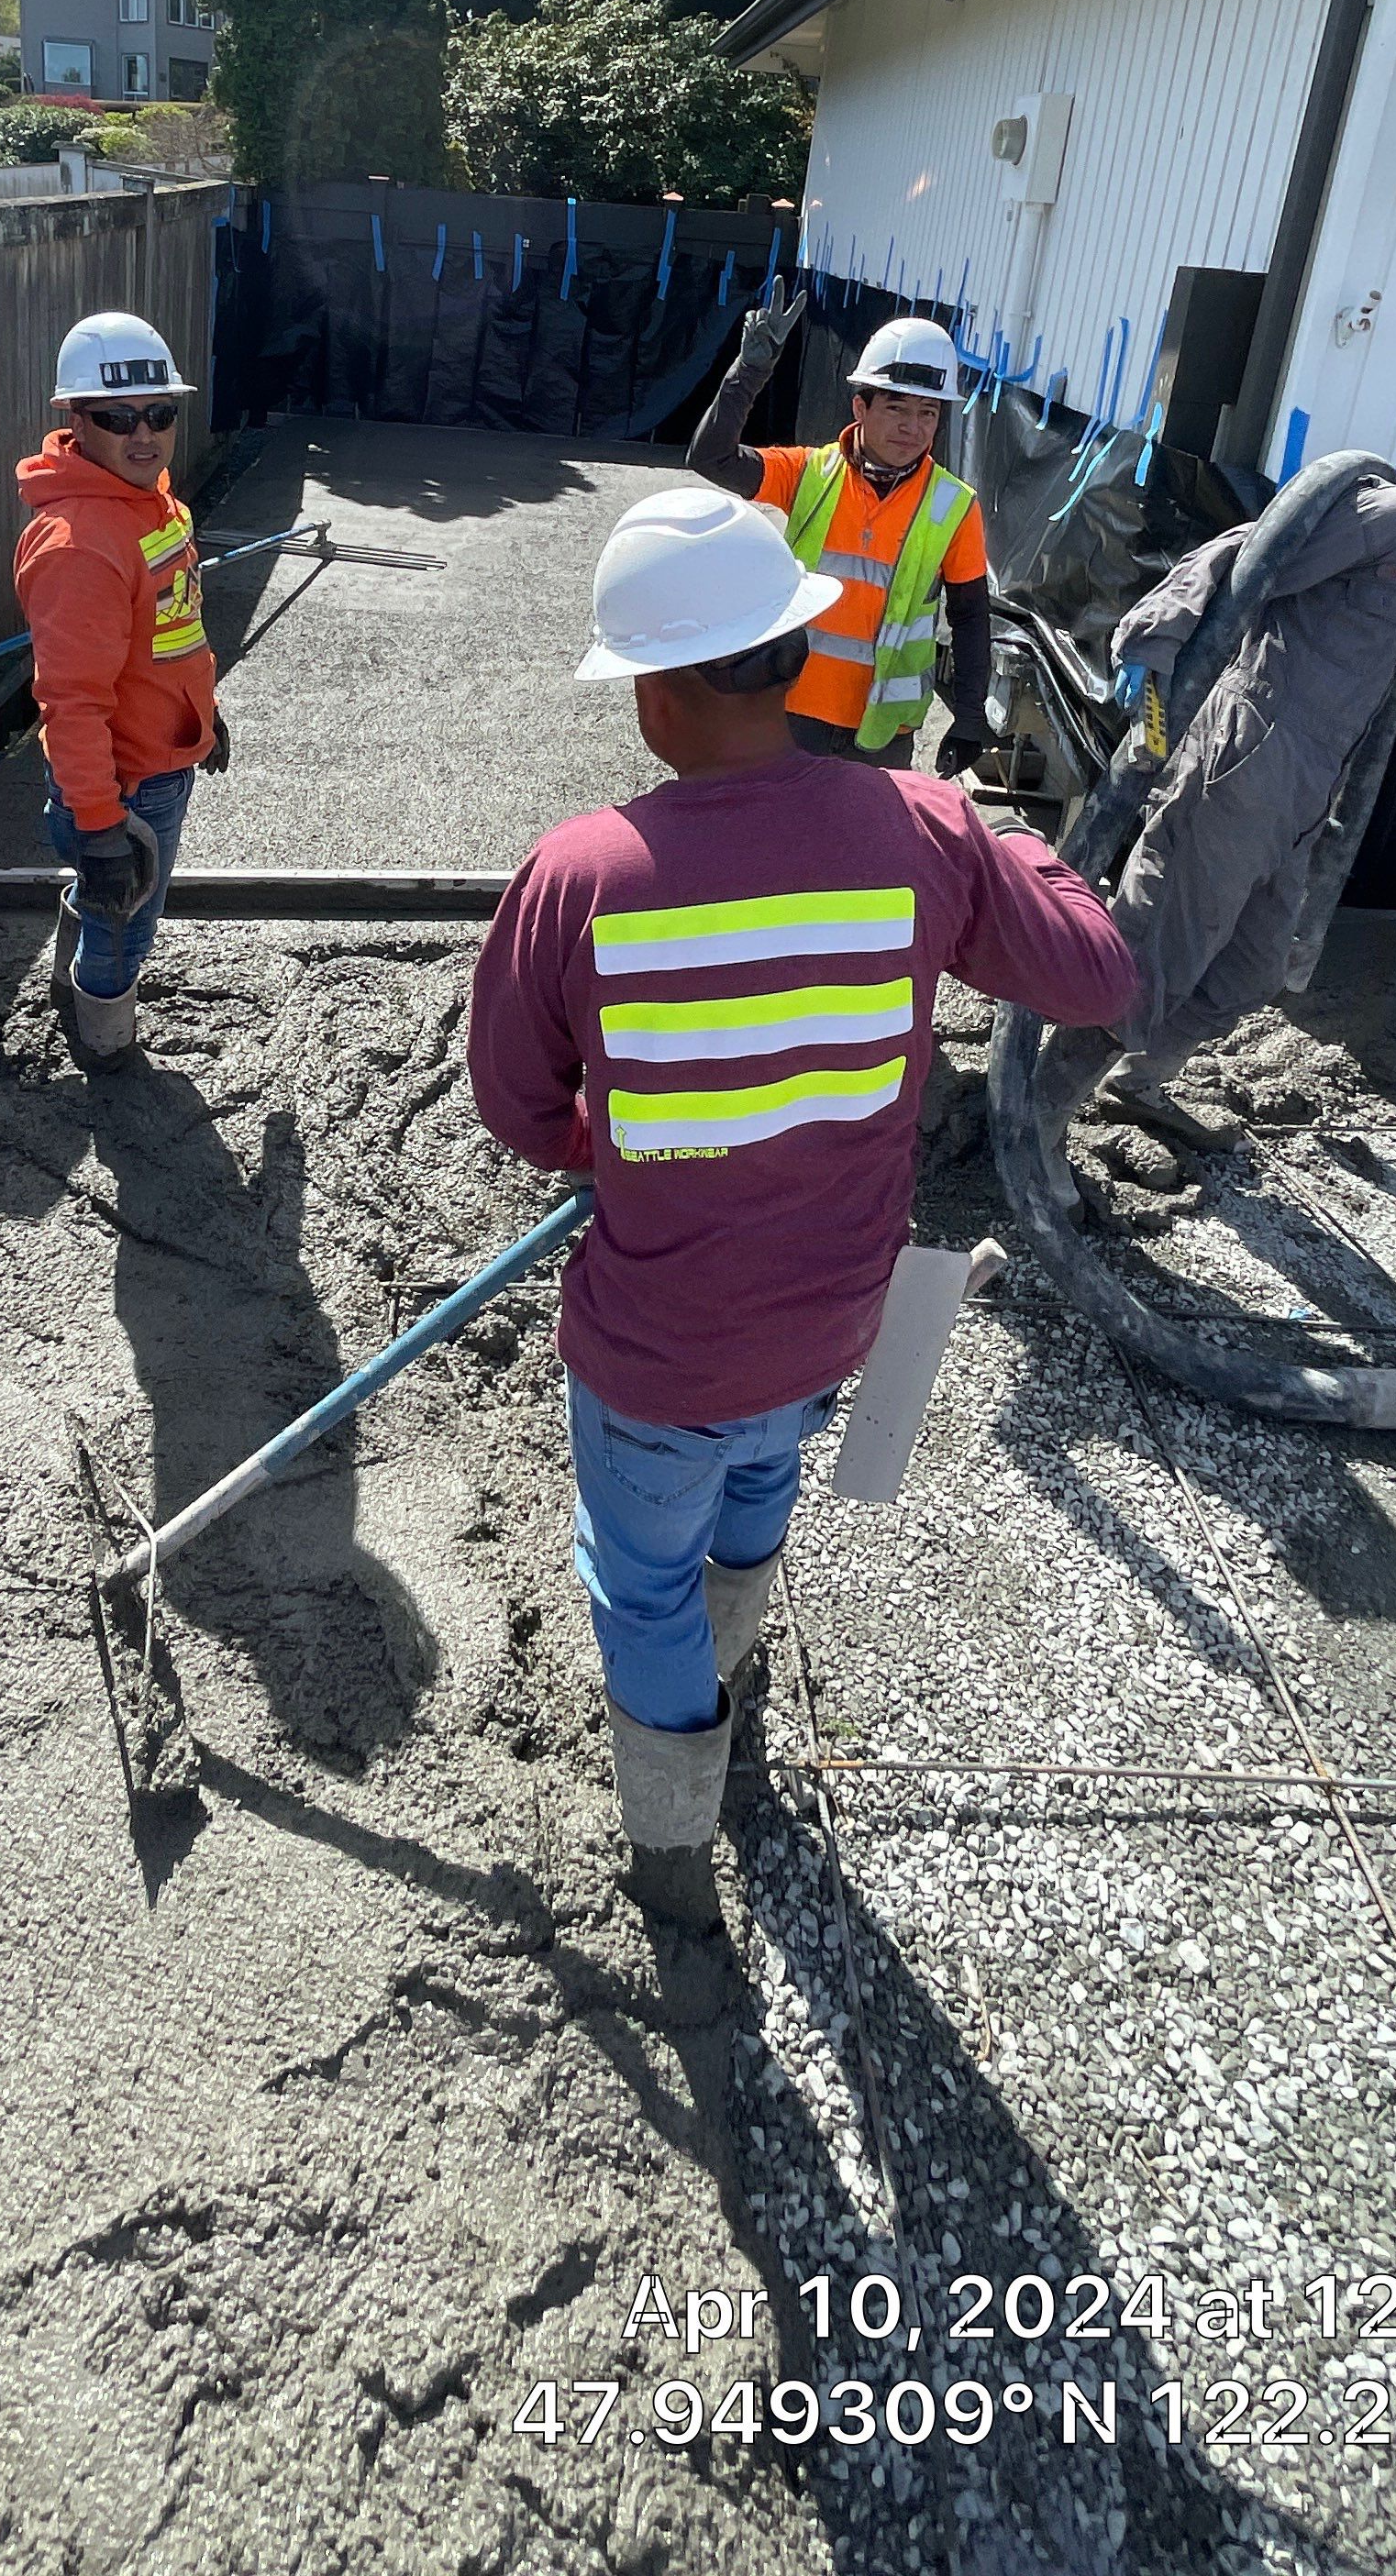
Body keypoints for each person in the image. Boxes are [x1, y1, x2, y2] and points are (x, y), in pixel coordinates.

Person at [466, 486, 1136, 1909]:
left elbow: (524, 1115)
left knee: (639, 1578)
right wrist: (985, 834)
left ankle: (671, 1852)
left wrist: (633, 1141)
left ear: (651, 691)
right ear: (796, 654)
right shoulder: (921, 832)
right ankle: (741, 1661)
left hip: (659, 1349)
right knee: (763, 1465)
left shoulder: (580, 877)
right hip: (833, 1323)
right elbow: (1097, 973)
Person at [1047, 416, 1396, 1166]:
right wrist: (1153, 636)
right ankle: (1037, 1118)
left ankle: (1140, 1081)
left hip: (1300, 789)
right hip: (1249, 762)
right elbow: (1245, 554)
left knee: (1251, 967)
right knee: (1154, 953)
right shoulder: (1391, 518)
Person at [14, 309, 227, 1075]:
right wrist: (102, 825)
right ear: (78, 420)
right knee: (127, 921)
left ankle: (73, 983)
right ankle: (106, 1047)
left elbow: (173, 631)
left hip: (153, 760)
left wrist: (204, 715)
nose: (145, 435)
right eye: (118, 418)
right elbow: (71, 704)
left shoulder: (154, 503)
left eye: (161, 414)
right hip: (125, 784)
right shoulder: (81, 545)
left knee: (111, 904)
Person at [688, 284, 994, 772]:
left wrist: (971, 716)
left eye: (927, 413)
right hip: (791, 711)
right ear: (860, 408)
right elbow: (711, 457)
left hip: (882, 732)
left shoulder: (954, 506)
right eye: (896, 408)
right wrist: (749, 373)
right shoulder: (810, 472)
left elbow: (971, 617)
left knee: (861, 850)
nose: (911, 428)